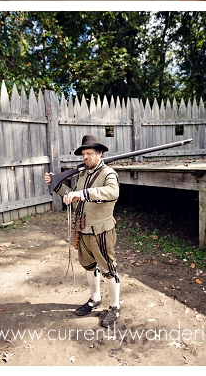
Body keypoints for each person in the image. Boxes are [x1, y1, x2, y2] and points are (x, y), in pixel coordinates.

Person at [45, 134, 121, 328]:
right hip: (83, 229)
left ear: (100, 153)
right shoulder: (82, 175)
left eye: (89, 153)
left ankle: (114, 306)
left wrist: (83, 193)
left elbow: (112, 192)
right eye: (83, 154)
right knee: (89, 267)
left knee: (108, 270)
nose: (85, 157)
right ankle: (95, 299)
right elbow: (72, 195)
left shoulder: (108, 173)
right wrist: (56, 185)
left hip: (101, 231)